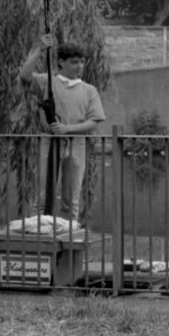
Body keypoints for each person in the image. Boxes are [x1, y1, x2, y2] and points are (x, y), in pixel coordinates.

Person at [18, 33, 105, 222]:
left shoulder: (89, 90)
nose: (79, 66)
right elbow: (25, 76)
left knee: (71, 198)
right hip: (48, 142)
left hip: (76, 144)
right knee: (42, 195)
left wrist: (67, 129)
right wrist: (39, 50)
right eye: (74, 62)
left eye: (82, 62)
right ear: (61, 62)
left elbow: (94, 121)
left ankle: (68, 235)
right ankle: (40, 233)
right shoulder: (46, 81)